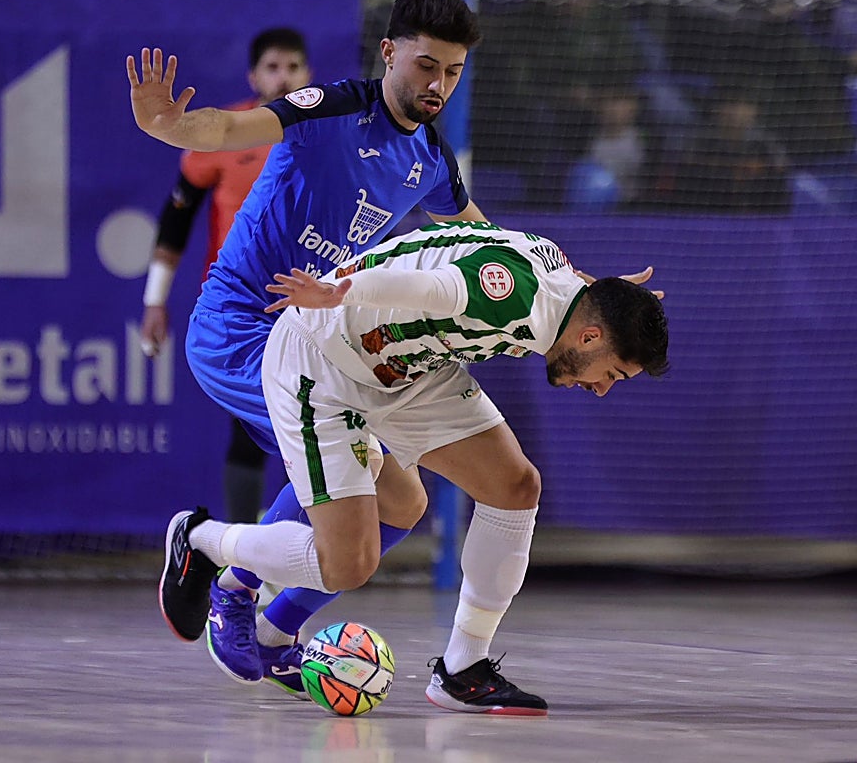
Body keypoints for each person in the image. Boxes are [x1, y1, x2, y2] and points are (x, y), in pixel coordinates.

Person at [131, 0, 488, 698]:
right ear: (389, 52)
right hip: (240, 329)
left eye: (452, 72)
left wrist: (573, 283)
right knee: (342, 498)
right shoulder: (333, 107)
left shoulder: (431, 161)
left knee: (404, 504)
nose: (438, 85)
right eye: (425, 66)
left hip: (314, 342)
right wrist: (167, 126)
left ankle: (272, 626)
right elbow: (228, 132)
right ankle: (220, 570)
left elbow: (482, 242)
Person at [162, 219, 670, 714]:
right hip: (324, 363)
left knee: (513, 486)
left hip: (409, 368)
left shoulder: (569, 296)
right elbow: (430, 288)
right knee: (347, 563)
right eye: (614, 373)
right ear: (589, 338)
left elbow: (582, 288)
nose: (603, 388)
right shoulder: (507, 295)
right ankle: (203, 539)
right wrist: (340, 290)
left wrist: (622, 300)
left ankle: (462, 670)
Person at [139, 27, 313, 524]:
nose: (284, 78)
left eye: (294, 67)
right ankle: (246, 552)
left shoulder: (328, 133)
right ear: (253, 76)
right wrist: (155, 300)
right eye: (274, 67)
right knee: (255, 424)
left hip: (309, 301)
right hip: (243, 305)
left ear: (309, 74)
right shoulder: (225, 131)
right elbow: (177, 217)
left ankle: (292, 544)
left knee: (311, 422)